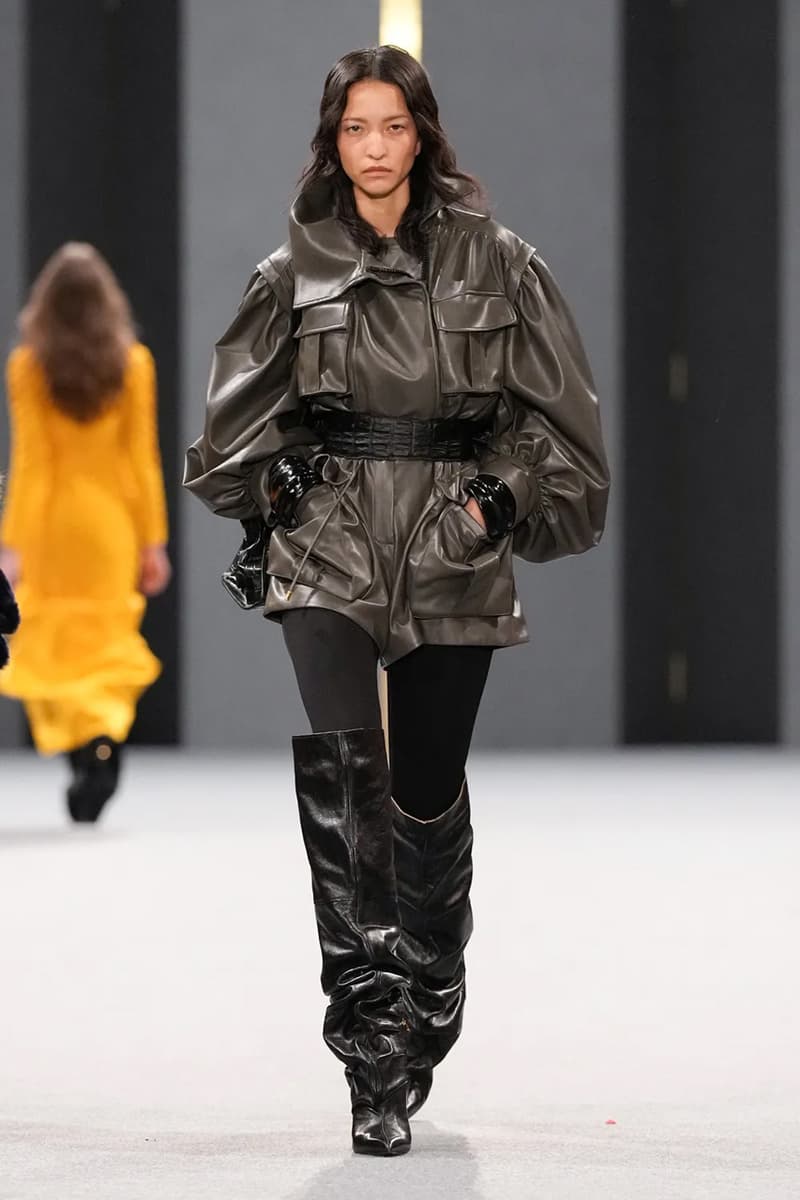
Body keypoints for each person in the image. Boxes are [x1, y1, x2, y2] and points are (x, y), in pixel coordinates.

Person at [185, 46, 609, 1157]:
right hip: (328, 539)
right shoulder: (290, 272)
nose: (373, 148)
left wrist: (495, 500)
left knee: (422, 793)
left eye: (392, 126)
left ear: (422, 136)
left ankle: (431, 974)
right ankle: (370, 1051)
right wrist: (274, 485)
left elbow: (557, 430)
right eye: (354, 128)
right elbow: (226, 438)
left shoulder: (498, 262)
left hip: (448, 543)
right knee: (346, 788)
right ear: (332, 143)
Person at [0, 243, 171, 823]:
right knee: (103, 641)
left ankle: (83, 752)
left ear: (45, 306)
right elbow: (141, 461)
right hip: (110, 527)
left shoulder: (28, 367)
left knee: (55, 644)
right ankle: (101, 741)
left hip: (51, 528)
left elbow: (31, 465)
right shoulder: (134, 364)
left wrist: (12, 546)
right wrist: (153, 542)